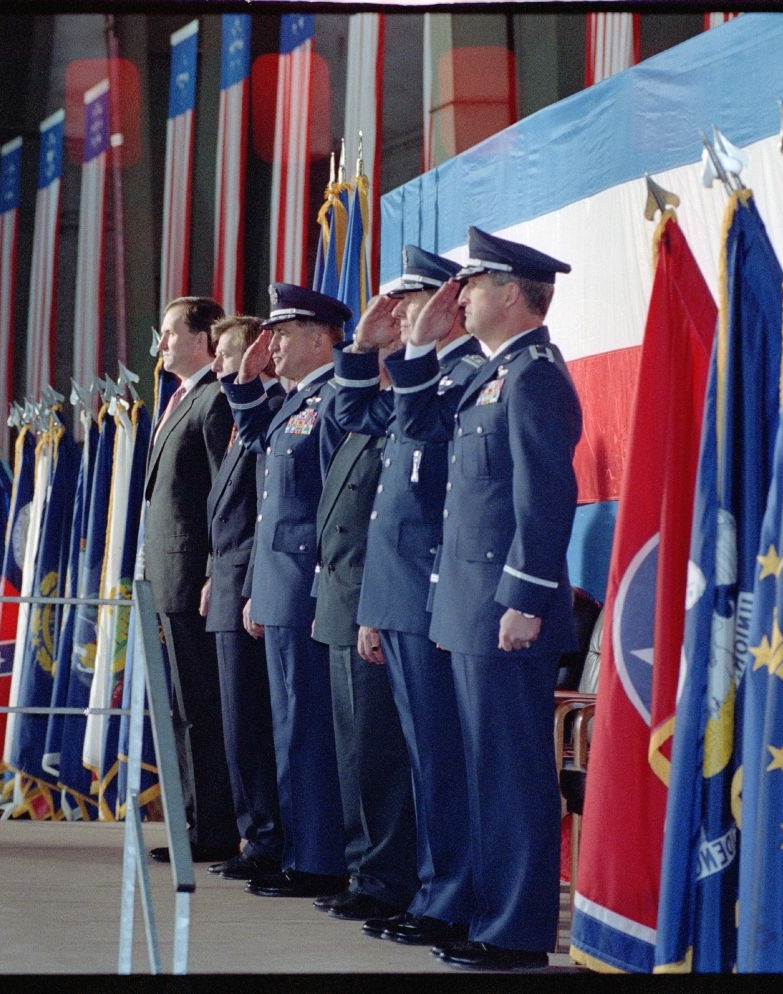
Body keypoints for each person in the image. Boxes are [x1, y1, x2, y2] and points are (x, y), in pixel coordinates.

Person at [385, 226, 582, 971]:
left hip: (504, 609)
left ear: (510, 292)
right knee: (477, 770)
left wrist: (526, 599)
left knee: (509, 774)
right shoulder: (489, 373)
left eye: (473, 284)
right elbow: (419, 432)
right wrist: (416, 348)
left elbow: (546, 496)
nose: (458, 295)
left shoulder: (534, 376)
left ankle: (515, 931)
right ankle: (487, 915)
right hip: (468, 605)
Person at [330, 246, 486, 948]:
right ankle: (428, 890)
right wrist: (362, 349)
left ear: (447, 307)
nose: (397, 315)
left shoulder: (460, 377)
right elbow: (353, 417)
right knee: (414, 757)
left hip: (430, 594)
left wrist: (409, 353)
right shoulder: (420, 381)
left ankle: (442, 895)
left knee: (436, 761)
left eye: (408, 303)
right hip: (397, 595)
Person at [219, 282, 350, 899]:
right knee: (288, 727)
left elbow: (333, 504)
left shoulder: (332, 400)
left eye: (286, 333)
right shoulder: (296, 402)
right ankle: (300, 849)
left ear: (322, 337)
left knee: (309, 728)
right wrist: (242, 384)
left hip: (306, 588)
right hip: (277, 588)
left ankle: (319, 858)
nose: (272, 344)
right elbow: (261, 444)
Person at [309, 321, 418, 924]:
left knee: (377, 754)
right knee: (353, 751)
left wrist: (370, 605)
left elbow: (386, 519)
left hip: (372, 597)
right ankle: (364, 869)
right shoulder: (370, 414)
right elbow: (343, 412)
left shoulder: (411, 408)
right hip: (344, 594)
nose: (390, 346)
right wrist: (359, 350)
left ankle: (383, 875)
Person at [141, 296, 240, 867]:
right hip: (167, 578)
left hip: (195, 580)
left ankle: (215, 829)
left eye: (172, 333)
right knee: (180, 707)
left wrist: (209, 572)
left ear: (204, 338)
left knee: (202, 706)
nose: (162, 345)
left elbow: (220, 499)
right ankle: (193, 821)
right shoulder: (178, 398)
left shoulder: (216, 398)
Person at [202, 314, 287, 881]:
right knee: (237, 725)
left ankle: (267, 838)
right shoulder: (242, 419)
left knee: (253, 725)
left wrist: (251, 584)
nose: (218, 366)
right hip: (228, 579)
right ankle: (253, 833)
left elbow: (264, 515)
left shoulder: (277, 411)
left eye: (228, 354)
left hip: (252, 583)